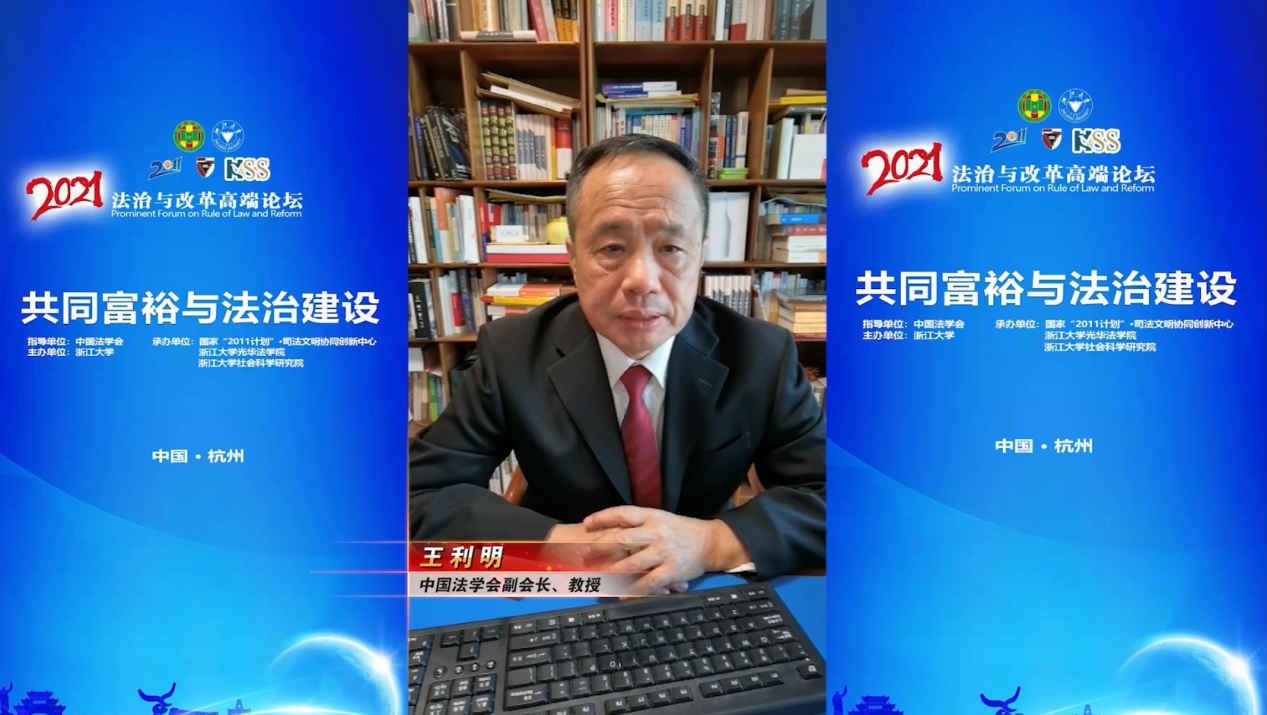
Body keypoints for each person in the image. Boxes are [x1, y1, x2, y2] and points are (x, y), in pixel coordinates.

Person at [409, 135, 825, 595]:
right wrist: (554, 544)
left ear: (700, 255)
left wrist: (714, 542)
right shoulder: (511, 351)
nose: (642, 280)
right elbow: (417, 494)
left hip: (701, 585)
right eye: (611, 248)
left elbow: (836, 497)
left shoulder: (761, 354)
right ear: (573, 258)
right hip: (566, 587)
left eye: (671, 248)